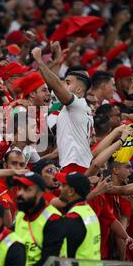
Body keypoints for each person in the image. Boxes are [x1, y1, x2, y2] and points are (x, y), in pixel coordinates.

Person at [32, 46, 93, 174]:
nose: (63, 85)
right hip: (75, 164)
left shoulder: (78, 104)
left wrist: (39, 61)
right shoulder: (77, 110)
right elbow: (59, 151)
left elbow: (56, 85)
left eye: (67, 82)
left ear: (78, 90)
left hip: (74, 165)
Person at [12, 172, 67, 266]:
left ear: (40, 193)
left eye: (27, 189)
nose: (20, 193)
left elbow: (49, 261)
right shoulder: (20, 215)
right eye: (19, 189)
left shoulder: (53, 219)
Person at [55, 172, 103, 266]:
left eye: (63, 185)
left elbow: (66, 257)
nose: (60, 188)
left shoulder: (73, 219)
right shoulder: (88, 211)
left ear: (71, 191)